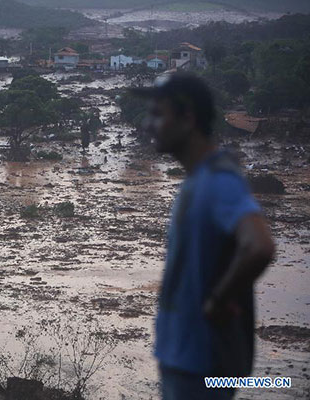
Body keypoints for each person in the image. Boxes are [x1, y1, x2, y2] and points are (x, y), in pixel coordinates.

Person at [133, 73, 275, 400]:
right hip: (182, 357)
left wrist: (218, 300)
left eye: (157, 114)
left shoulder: (218, 180)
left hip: (201, 364)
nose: (147, 125)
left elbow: (260, 245)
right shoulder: (196, 181)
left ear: (188, 117)